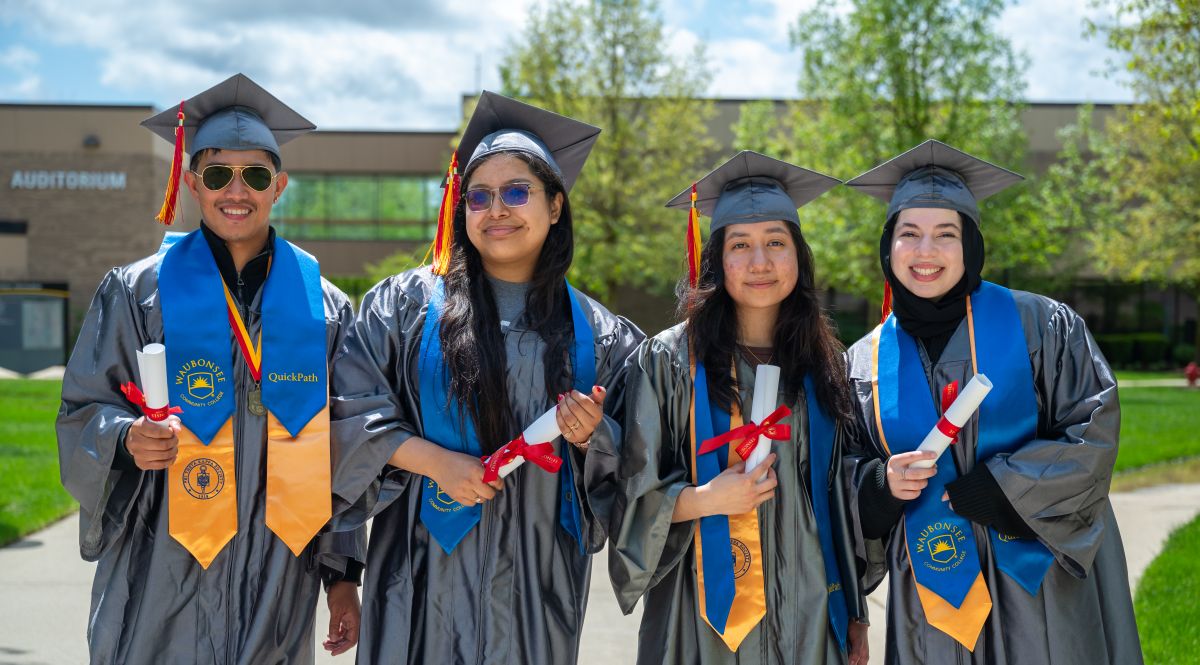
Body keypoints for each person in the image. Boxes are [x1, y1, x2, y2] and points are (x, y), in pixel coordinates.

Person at [56, 73, 364, 665]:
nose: (237, 191)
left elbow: (341, 445)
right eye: (219, 175)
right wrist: (124, 439)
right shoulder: (137, 291)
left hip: (276, 571)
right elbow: (83, 407)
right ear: (193, 183)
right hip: (162, 563)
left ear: (280, 185)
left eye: (256, 176)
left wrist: (342, 574)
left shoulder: (324, 308)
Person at [327, 91, 645, 664]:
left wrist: (593, 435)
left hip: (536, 584)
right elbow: (346, 410)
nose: (497, 209)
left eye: (517, 192)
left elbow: (646, 458)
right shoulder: (403, 307)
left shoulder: (601, 335)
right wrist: (435, 462)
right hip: (418, 579)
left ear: (554, 206)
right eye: (480, 196)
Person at [842, 139, 1143, 664]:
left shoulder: (1042, 325)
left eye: (946, 235)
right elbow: (840, 467)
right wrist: (875, 485)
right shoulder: (862, 363)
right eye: (909, 234)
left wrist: (1002, 488)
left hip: (1037, 578)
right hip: (931, 593)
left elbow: (1092, 429)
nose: (926, 252)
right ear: (888, 248)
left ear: (972, 246)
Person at [608, 151, 870, 665]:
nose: (760, 262)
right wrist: (705, 498)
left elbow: (843, 496)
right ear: (715, 261)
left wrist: (856, 613)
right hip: (698, 619)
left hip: (811, 614)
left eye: (776, 242)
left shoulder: (826, 366)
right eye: (740, 245)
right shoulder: (666, 362)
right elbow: (626, 495)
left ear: (799, 255)